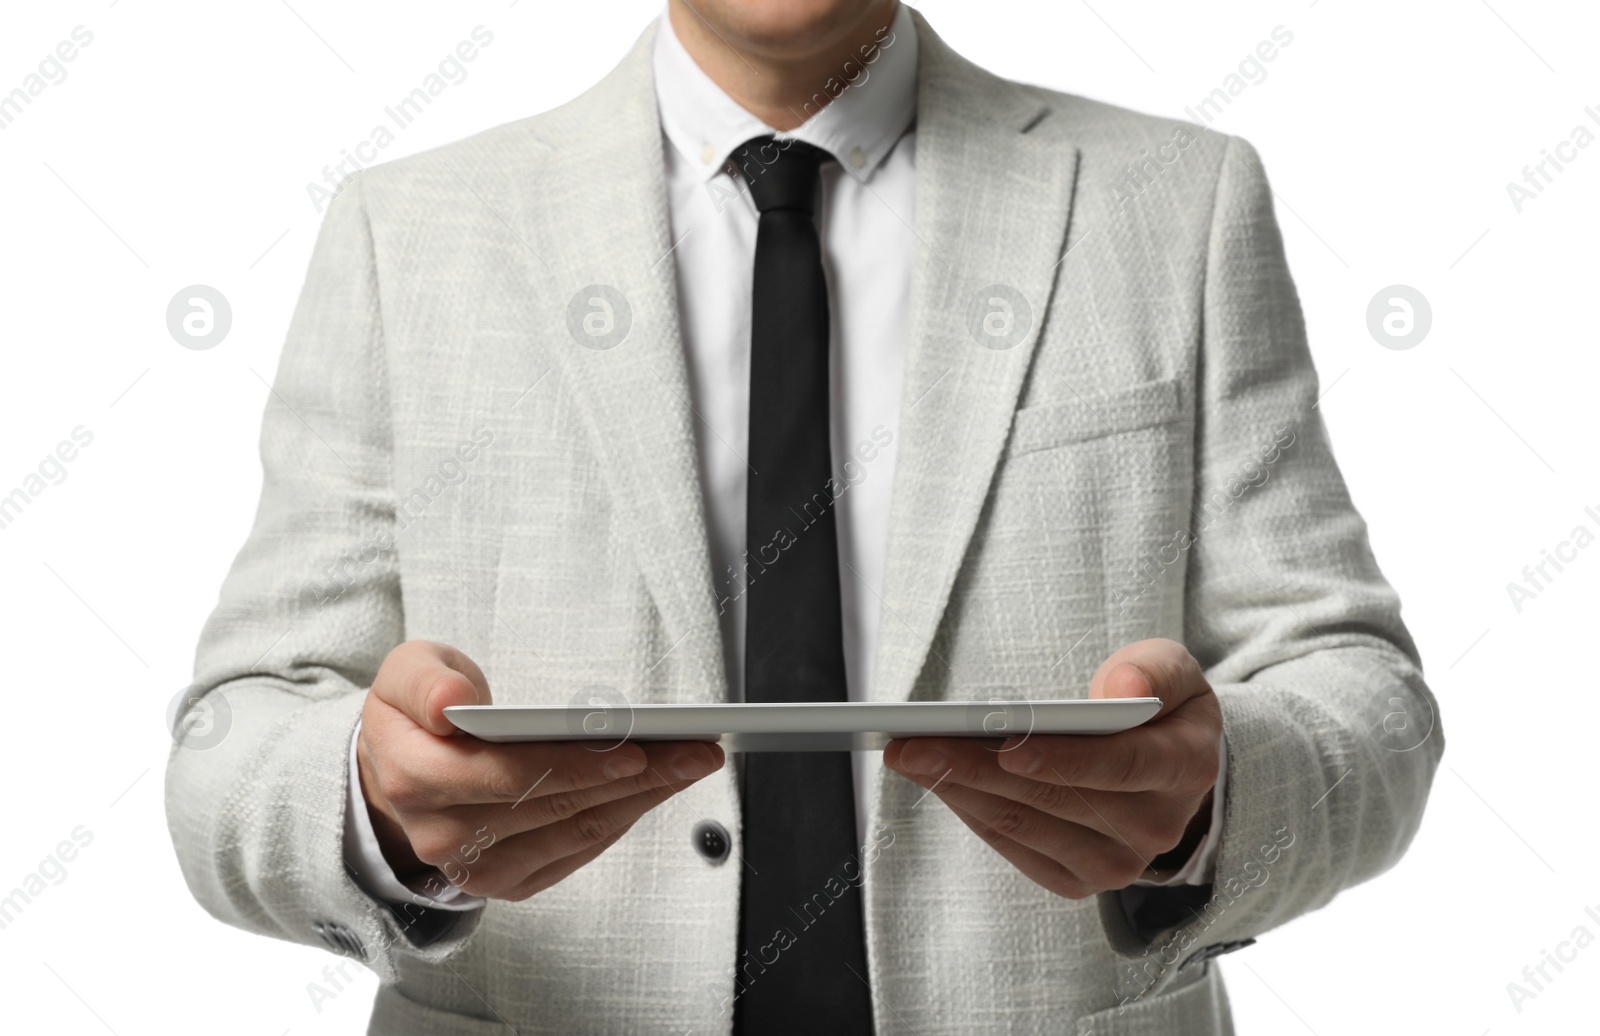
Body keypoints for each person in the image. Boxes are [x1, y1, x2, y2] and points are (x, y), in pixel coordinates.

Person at [165, 2, 1442, 1032]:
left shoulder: (1175, 201)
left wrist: (1212, 796)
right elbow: (229, 746)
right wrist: (376, 811)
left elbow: (1360, 691)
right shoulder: (410, 231)